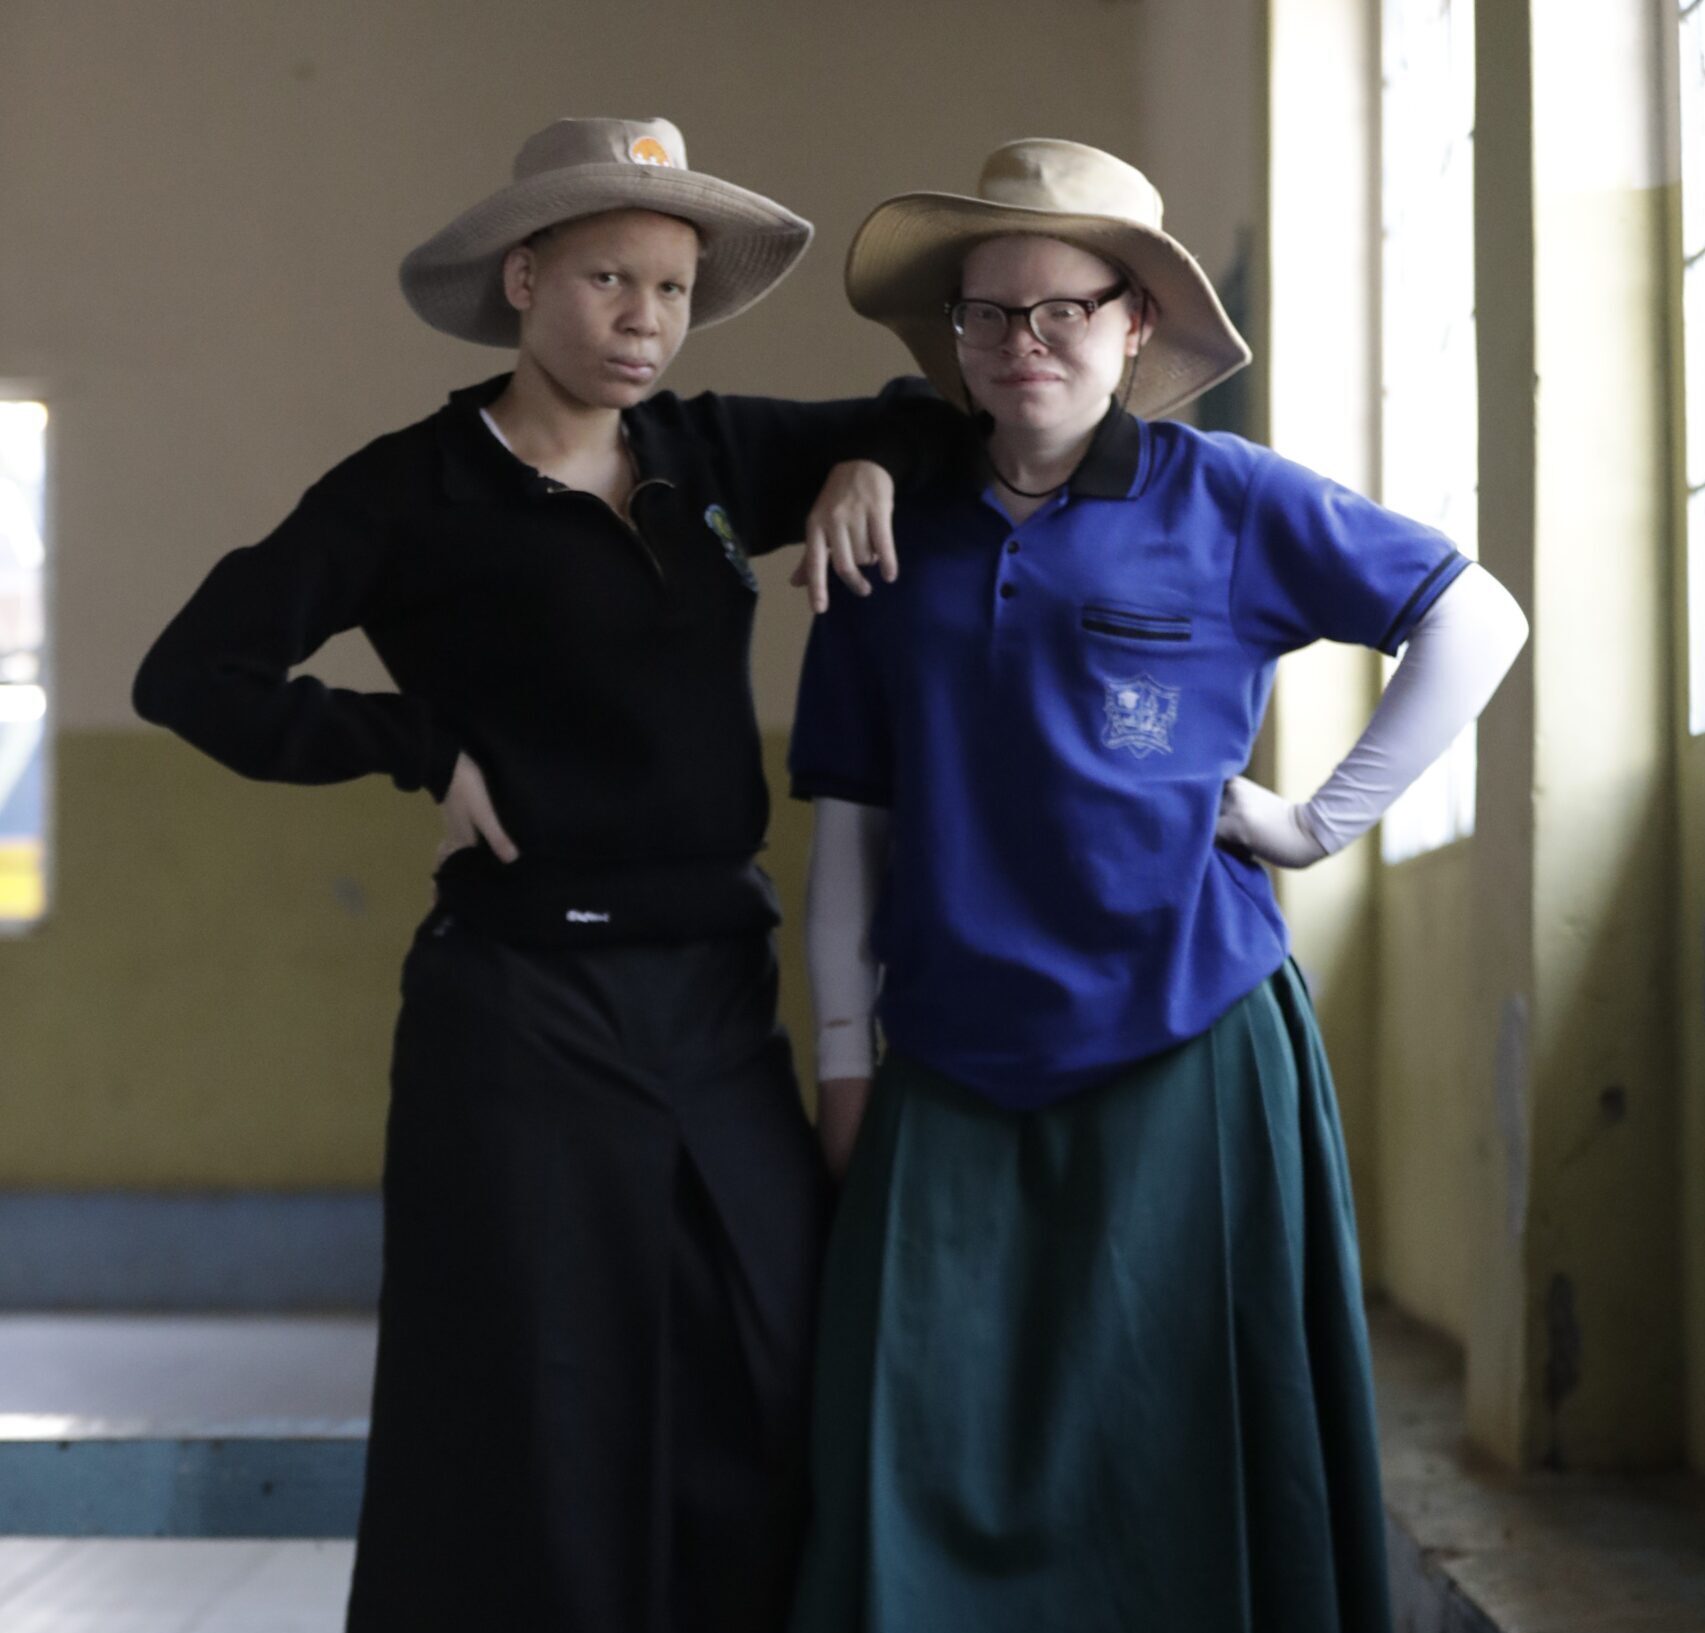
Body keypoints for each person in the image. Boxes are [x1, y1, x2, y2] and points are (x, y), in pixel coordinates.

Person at [132, 116, 953, 1633]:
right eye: (608, 280)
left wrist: (852, 470)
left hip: (715, 998)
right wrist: (412, 745)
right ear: (523, 278)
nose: (646, 320)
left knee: (772, 1353)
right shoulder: (409, 492)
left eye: (672, 288)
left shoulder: (708, 454)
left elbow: (934, 412)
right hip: (517, 1009)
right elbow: (193, 671)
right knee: (534, 1412)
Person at [786, 139, 1528, 1632]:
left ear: (1133, 322)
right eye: (988, 314)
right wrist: (846, 1055)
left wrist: (1322, 822)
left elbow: (1474, 614)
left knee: (1185, 1440)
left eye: (1062, 307)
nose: (1022, 341)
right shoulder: (881, 536)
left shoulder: (1231, 499)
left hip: (1189, 1034)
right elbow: (849, 826)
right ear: (953, 341)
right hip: (946, 1050)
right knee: (914, 1436)